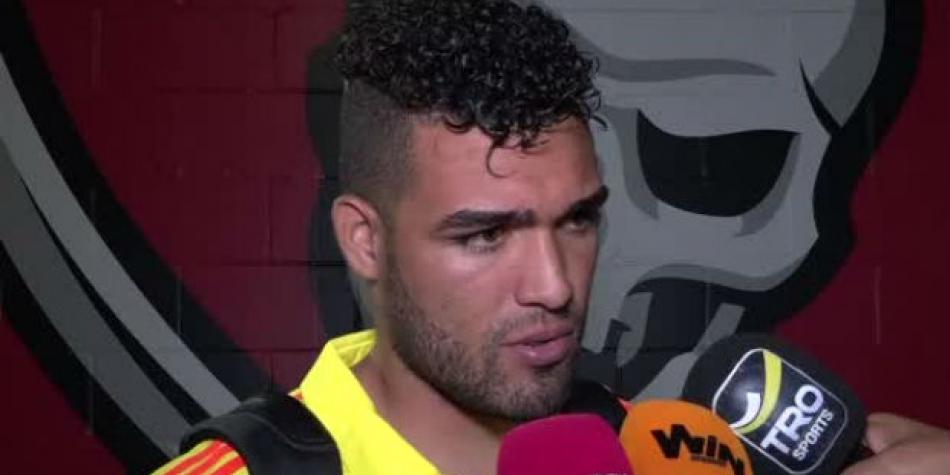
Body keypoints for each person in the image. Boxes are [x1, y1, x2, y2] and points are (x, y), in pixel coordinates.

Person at [154, 1, 950, 474]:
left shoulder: (654, 450)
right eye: (484, 234)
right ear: (365, 241)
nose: (555, 284)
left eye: (577, 219)